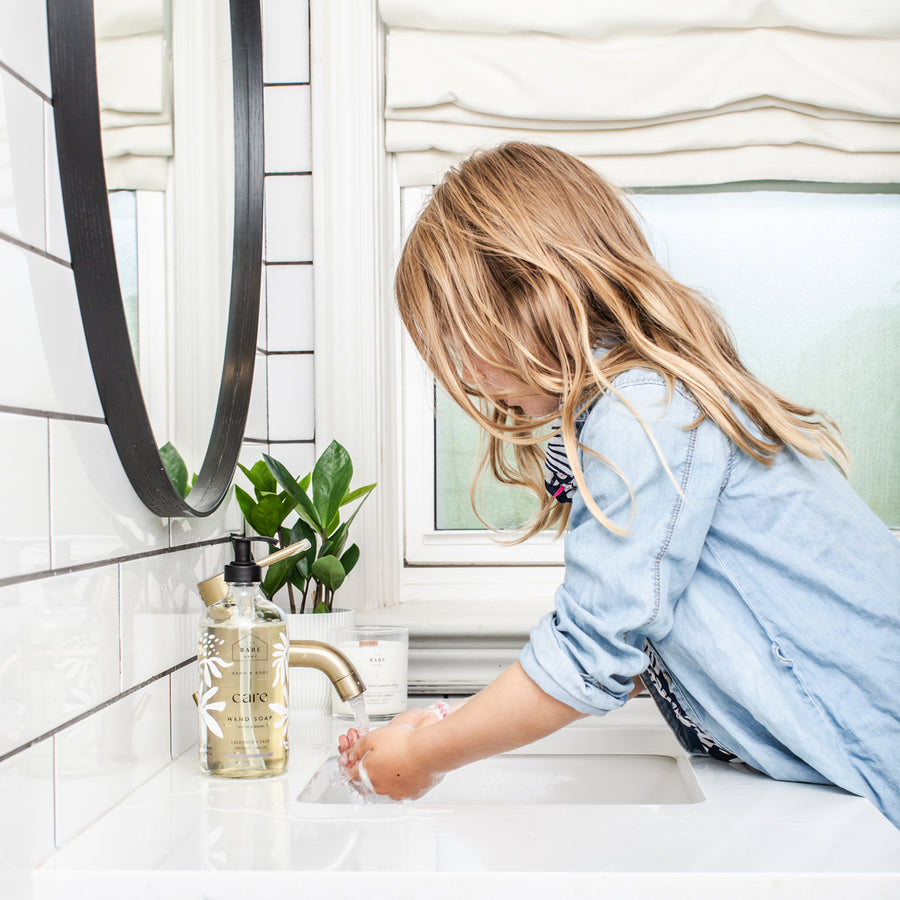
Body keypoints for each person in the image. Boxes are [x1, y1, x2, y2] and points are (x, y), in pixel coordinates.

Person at [338, 142, 900, 828]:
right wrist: (449, 725)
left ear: (534, 293)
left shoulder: (642, 411)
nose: (463, 376)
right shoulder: (652, 400)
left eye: (463, 338)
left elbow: (588, 656)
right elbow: (651, 634)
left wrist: (427, 756)